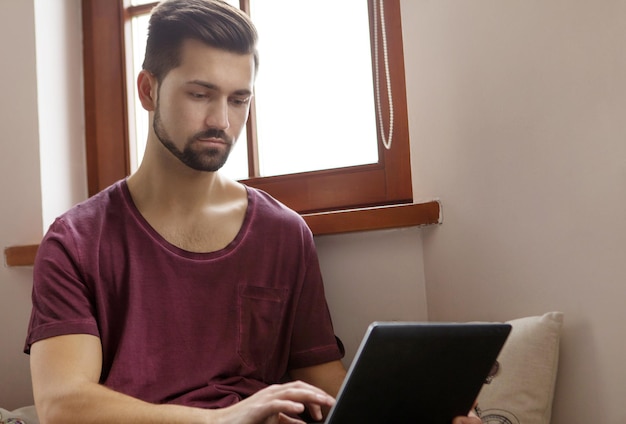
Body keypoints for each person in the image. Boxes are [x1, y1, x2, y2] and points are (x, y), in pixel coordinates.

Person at [24, 1, 481, 423]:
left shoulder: (283, 233)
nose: (221, 121)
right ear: (148, 90)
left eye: (238, 99)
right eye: (200, 95)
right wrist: (223, 420)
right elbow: (62, 403)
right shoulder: (75, 242)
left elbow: (326, 389)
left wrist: (422, 414)